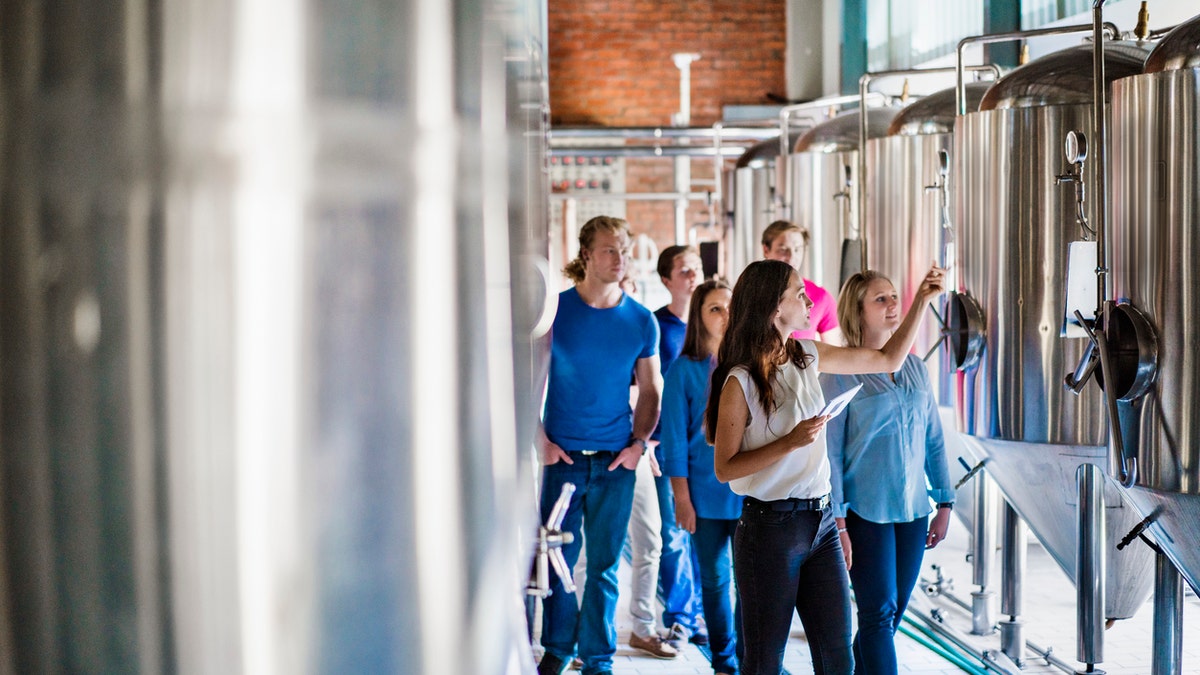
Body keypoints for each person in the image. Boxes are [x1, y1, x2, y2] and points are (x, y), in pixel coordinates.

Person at [706, 259, 944, 675]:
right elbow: (726, 469)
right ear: (774, 309)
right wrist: (790, 441)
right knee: (764, 661)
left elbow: (888, 358)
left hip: (820, 524)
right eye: (799, 294)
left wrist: (922, 301)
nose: (810, 301)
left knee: (838, 659)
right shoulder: (738, 380)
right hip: (769, 530)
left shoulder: (807, 354)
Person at [537, 216, 662, 675]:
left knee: (606, 567)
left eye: (624, 250)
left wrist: (639, 444)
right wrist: (540, 440)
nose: (620, 259)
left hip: (616, 463)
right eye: (610, 249)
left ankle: (597, 658)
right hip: (563, 459)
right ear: (586, 255)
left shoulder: (640, 319)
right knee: (558, 561)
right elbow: (524, 377)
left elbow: (651, 390)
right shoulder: (555, 311)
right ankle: (557, 649)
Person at [819, 271, 954, 675]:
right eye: (880, 299)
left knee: (890, 617)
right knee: (877, 614)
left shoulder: (916, 368)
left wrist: (945, 500)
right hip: (864, 512)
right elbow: (831, 454)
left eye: (894, 296)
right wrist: (839, 522)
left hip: (913, 510)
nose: (892, 304)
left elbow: (933, 438)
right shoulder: (839, 373)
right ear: (857, 311)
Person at [626, 245, 706, 658]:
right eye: (683, 269)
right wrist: (649, 441)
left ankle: (707, 614)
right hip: (665, 448)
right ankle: (681, 617)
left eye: (696, 267)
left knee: (710, 537)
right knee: (672, 536)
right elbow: (642, 388)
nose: (692, 274)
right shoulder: (656, 327)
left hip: (708, 452)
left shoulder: (718, 328)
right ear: (665, 279)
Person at [661, 279, 741, 675]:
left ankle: (755, 657)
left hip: (749, 494)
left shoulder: (749, 365)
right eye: (714, 308)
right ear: (699, 316)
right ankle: (725, 661)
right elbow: (673, 440)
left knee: (752, 585)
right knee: (712, 581)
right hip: (703, 496)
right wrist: (682, 499)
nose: (725, 316)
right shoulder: (683, 370)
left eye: (729, 307)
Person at [761, 220, 841, 343]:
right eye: (783, 249)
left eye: (798, 249)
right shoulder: (750, 293)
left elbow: (835, 350)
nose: (791, 257)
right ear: (766, 250)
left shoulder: (820, 297)